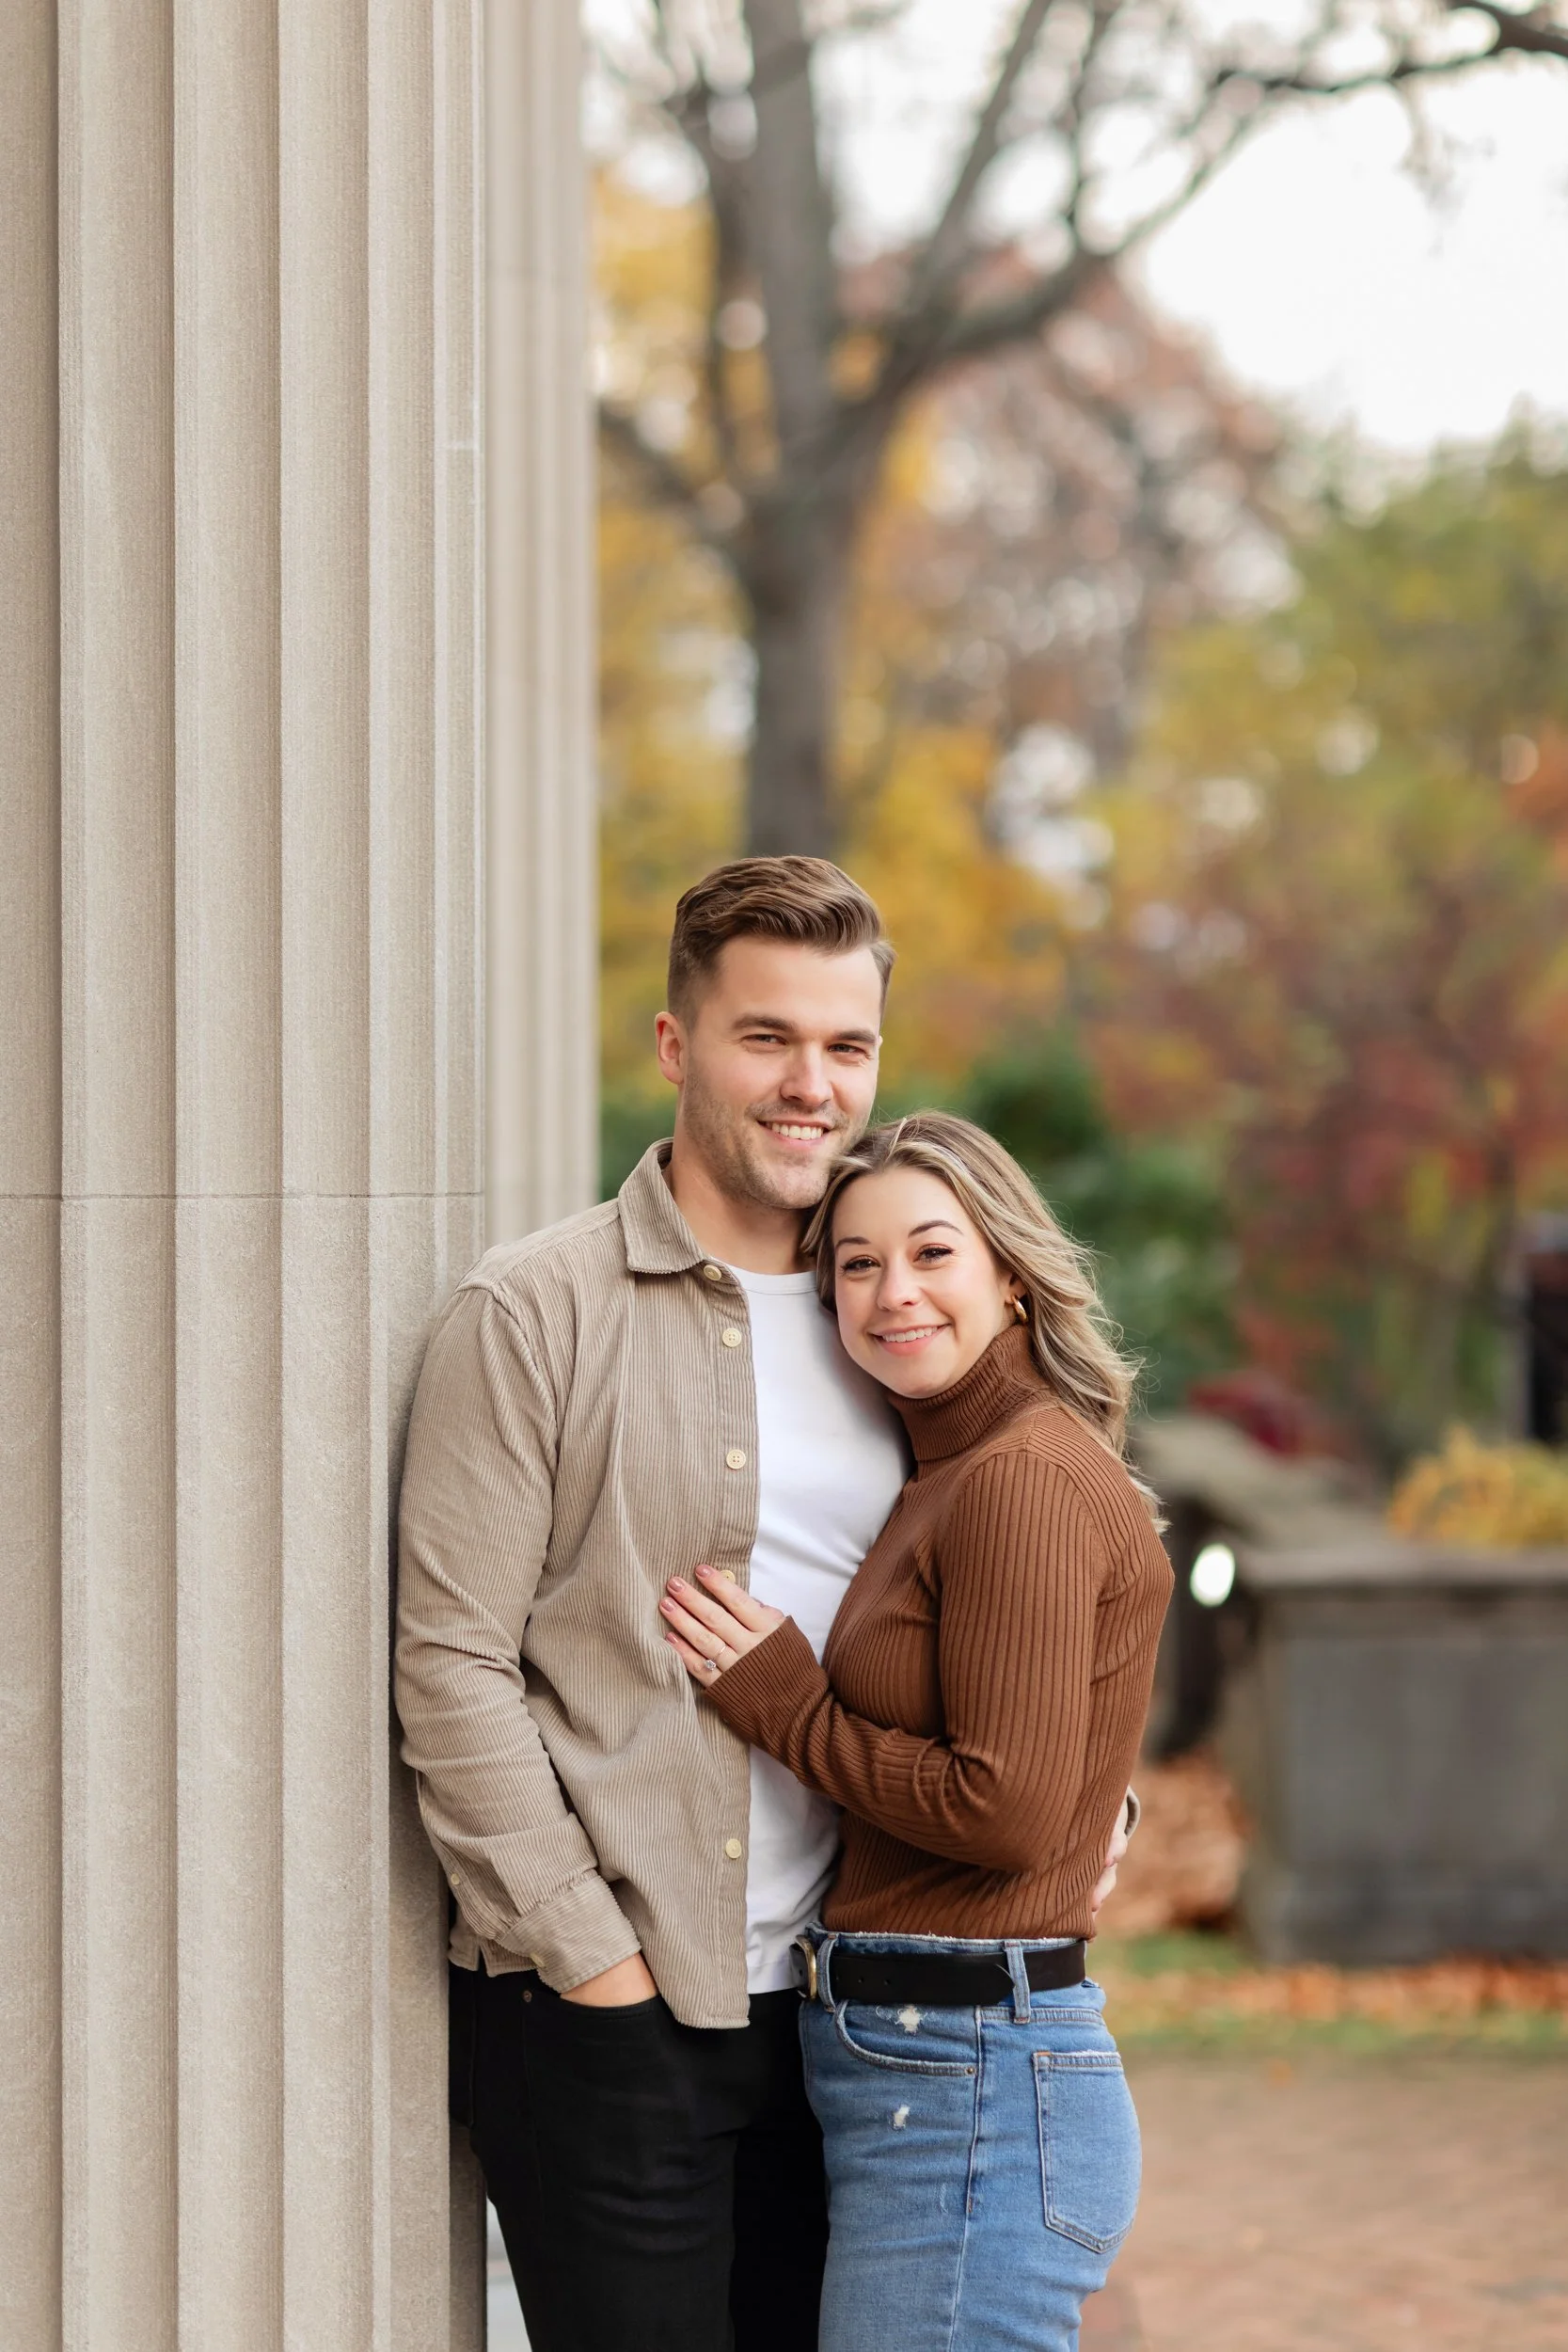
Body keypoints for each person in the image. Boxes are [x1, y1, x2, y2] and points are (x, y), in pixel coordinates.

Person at [659, 1112, 1173, 2352]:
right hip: (926, 2070)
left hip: (971, 2086)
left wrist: (784, 1703)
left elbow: (1003, 1812)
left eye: (932, 1253)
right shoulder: (953, 1471)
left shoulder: (1015, 1480)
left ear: (1006, 1272)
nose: (892, 1293)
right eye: (854, 1263)